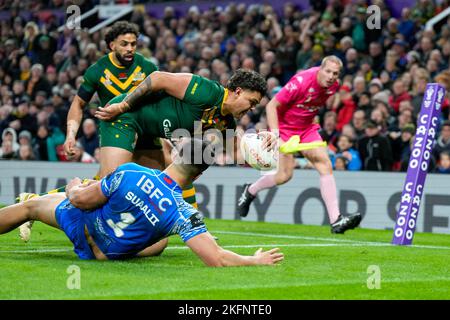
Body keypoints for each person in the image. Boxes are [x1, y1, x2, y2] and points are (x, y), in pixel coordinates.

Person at [0, 138, 284, 266]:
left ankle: (33, 207)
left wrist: (75, 187)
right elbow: (217, 258)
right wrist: (254, 261)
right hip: (106, 254)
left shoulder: (130, 171)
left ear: (176, 156)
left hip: (81, 225)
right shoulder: (184, 212)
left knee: (31, 207)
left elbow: (83, 202)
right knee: (160, 242)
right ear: (200, 173)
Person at [236, 56, 362, 234]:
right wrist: (275, 134)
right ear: (320, 69)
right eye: (328, 71)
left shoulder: (334, 86)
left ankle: (336, 220)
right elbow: (271, 106)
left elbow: (310, 105)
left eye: (335, 73)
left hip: (307, 129)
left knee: (325, 164)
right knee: (284, 176)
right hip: (285, 129)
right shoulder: (301, 82)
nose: (331, 76)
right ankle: (250, 190)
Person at [93, 68, 270, 179]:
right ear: (238, 92)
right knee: (112, 182)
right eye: (252, 102)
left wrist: (264, 143)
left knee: (151, 189)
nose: (252, 108)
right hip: (124, 116)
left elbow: (238, 153)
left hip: (150, 134)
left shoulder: (226, 123)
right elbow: (158, 78)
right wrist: (123, 105)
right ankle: (66, 201)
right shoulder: (206, 91)